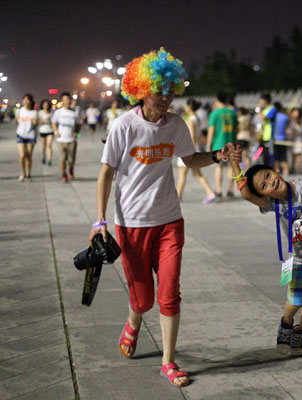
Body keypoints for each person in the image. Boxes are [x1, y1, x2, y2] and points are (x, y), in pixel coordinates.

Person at [90, 48, 241, 388]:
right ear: (141, 89)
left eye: (171, 91)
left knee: (169, 293)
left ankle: (168, 361)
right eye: (159, 90)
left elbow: (189, 160)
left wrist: (218, 155)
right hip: (131, 225)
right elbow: (105, 174)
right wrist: (100, 221)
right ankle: (134, 319)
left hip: (170, 222)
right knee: (142, 300)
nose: (165, 97)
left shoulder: (176, 124)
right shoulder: (124, 126)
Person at [229, 157, 302, 356]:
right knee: (296, 299)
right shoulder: (273, 204)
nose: (271, 182)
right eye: (264, 185)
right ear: (264, 195)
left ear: (275, 170)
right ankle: (286, 324)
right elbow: (245, 193)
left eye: (268, 176)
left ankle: (299, 330)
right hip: (299, 259)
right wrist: (233, 162)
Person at [176, 98, 216, 203]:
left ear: (189, 106)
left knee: (182, 174)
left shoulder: (191, 119)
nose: (185, 107)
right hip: (195, 148)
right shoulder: (196, 118)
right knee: (197, 174)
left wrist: (189, 150)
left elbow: (192, 136)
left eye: (186, 105)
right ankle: (210, 192)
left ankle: (178, 196)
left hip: (188, 149)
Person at [207, 91, 238, 198]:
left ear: (216, 100)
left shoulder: (214, 113)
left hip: (218, 145)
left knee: (219, 167)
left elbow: (211, 131)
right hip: (231, 144)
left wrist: (208, 145)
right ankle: (230, 190)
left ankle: (219, 190)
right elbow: (236, 130)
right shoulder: (233, 113)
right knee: (230, 167)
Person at [52, 92, 78, 182]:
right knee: (62, 159)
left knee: (71, 160)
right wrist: (56, 132)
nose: (66, 101)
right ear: (62, 101)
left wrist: (77, 134)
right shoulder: (58, 112)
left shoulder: (74, 112)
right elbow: (53, 122)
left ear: (70, 100)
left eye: (68, 99)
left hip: (71, 140)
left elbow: (79, 124)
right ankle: (64, 174)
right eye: (64, 99)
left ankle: (70, 169)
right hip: (61, 140)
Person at [15, 93, 37, 181]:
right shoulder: (19, 110)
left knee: (29, 156)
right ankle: (22, 173)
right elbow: (17, 122)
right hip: (20, 134)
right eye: (24, 99)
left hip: (31, 135)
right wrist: (16, 121)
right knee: (22, 155)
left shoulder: (34, 112)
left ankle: (29, 173)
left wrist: (34, 121)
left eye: (27, 100)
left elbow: (35, 125)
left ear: (31, 101)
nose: (25, 101)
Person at [257, 93, 277, 165]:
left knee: (270, 153)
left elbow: (264, 117)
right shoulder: (264, 110)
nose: (260, 102)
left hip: (270, 135)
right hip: (264, 135)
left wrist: (259, 111)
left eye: (261, 100)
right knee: (263, 152)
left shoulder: (272, 109)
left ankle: (271, 167)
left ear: (265, 100)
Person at [273, 102, 290, 176]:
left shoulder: (273, 117)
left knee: (275, 157)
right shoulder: (285, 117)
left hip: (274, 139)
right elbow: (288, 125)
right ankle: (286, 171)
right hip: (283, 138)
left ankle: (276, 171)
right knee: (283, 156)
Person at [38, 99, 54, 166]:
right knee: (43, 146)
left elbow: (54, 122)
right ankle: (43, 156)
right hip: (42, 131)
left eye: (47, 104)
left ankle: (49, 159)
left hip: (50, 131)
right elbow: (40, 122)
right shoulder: (40, 112)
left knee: (49, 145)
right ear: (42, 105)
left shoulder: (52, 112)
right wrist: (45, 119)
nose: (46, 105)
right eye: (44, 104)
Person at [289, 108, 302, 174]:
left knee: (298, 155)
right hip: (293, 139)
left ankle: (299, 168)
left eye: (296, 112)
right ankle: (292, 167)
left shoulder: (299, 120)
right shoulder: (291, 121)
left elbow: (299, 129)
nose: (295, 114)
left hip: (298, 140)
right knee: (293, 155)